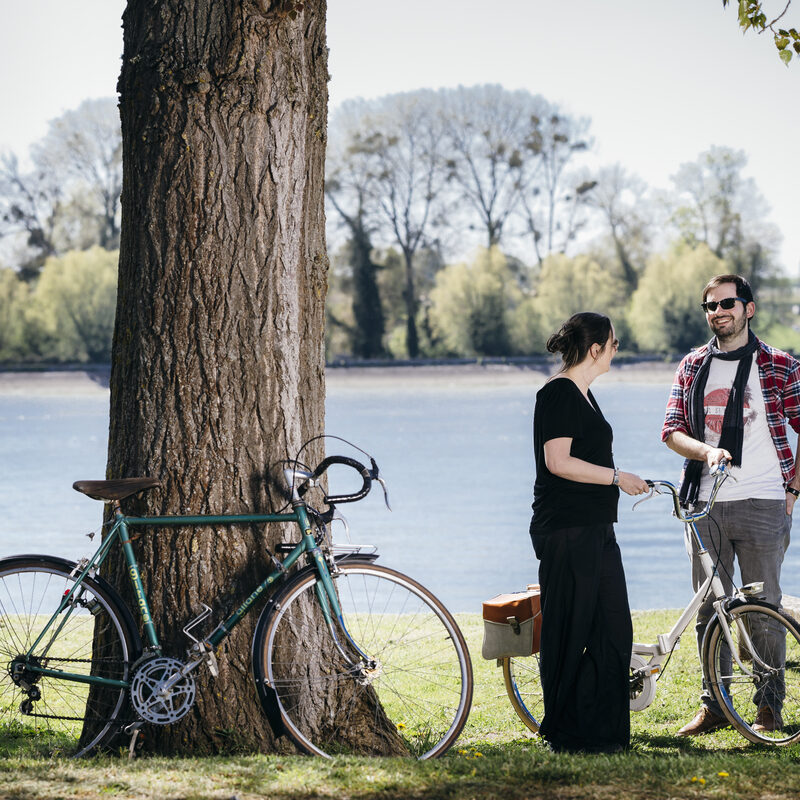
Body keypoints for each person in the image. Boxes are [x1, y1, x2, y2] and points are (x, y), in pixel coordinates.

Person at [662, 273, 800, 737]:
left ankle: (768, 708)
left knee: (764, 607)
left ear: (749, 308)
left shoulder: (780, 365)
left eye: (726, 303)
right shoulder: (692, 365)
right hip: (704, 506)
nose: (717, 312)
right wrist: (704, 451)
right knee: (709, 610)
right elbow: (672, 430)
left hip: (763, 501)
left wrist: (793, 489)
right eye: (709, 306)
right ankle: (716, 705)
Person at [530, 311, 648, 753]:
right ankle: (563, 733)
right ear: (595, 349)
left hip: (596, 528)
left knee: (613, 629)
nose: (616, 351)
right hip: (566, 530)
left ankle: (600, 733)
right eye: (614, 344)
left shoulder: (585, 394)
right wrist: (618, 477)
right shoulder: (558, 393)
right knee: (569, 629)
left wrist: (619, 480)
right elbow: (558, 462)